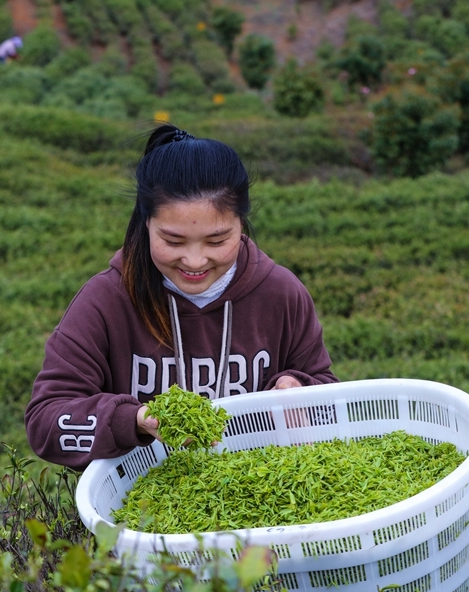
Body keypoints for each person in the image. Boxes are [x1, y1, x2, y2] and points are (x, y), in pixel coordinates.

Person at [25, 125, 338, 470]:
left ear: (242, 224)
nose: (195, 261)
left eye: (217, 241)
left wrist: (295, 387)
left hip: (262, 490)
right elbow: (45, 422)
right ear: (146, 223)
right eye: (173, 242)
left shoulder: (280, 294)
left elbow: (326, 390)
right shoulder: (106, 301)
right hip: (139, 502)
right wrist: (133, 420)